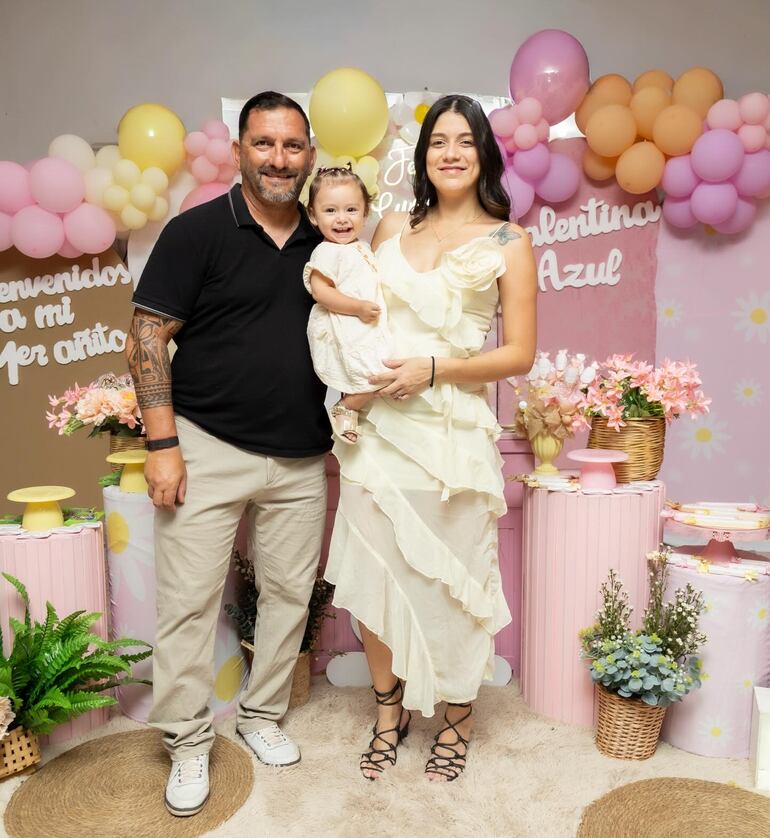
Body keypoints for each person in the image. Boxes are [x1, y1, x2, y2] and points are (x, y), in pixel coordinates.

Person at [126, 92, 330, 817]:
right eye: (265, 143)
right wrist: (162, 446)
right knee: (187, 606)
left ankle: (262, 716)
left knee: (285, 601)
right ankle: (185, 743)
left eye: (293, 145)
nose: (280, 158)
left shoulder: (329, 241)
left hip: (305, 459)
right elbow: (148, 336)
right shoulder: (196, 232)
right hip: (206, 446)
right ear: (240, 149)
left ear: (310, 153)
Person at [323, 94, 538, 782]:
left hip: (451, 440)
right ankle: (389, 714)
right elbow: (351, 316)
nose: (450, 152)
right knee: (377, 574)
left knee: (453, 582)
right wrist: (349, 389)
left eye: (465, 141)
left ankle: (456, 718)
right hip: (376, 436)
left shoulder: (510, 242)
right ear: (421, 157)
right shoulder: (386, 226)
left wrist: (436, 367)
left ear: (484, 155)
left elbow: (521, 355)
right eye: (438, 141)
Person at [303, 165, 393, 443]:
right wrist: (357, 308)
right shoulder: (327, 251)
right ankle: (346, 407)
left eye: (351, 210)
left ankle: (354, 410)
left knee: (383, 373)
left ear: (365, 213)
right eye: (330, 211)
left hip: (365, 325)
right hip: (344, 323)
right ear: (313, 216)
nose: (341, 219)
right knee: (375, 375)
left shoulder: (362, 247)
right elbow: (321, 291)